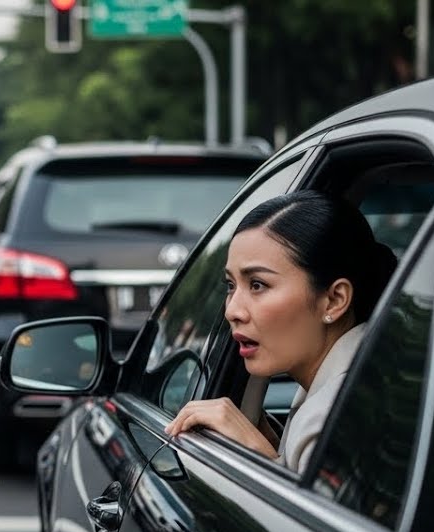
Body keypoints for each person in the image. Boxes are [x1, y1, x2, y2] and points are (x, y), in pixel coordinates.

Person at [164, 189, 398, 473]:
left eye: (258, 285)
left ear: (335, 300)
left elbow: (304, 518)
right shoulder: (360, 381)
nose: (231, 311)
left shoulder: (337, 422)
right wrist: (275, 448)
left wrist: (261, 459)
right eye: (230, 286)